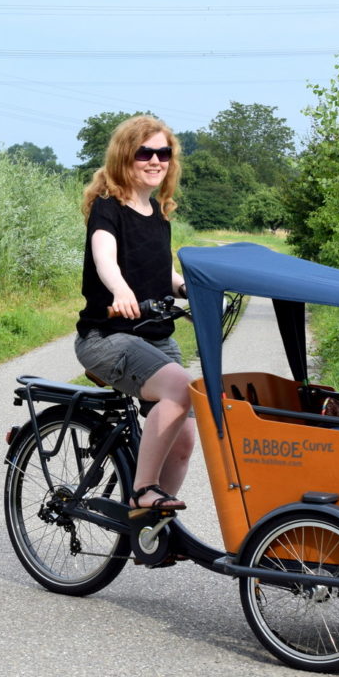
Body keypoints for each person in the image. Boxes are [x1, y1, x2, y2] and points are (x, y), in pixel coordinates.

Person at [74, 115, 195, 517]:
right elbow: (105, 258)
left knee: (184, 439)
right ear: (125, 156)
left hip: (155, 337)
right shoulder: (108, 209)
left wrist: (188, 288)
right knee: (180, 388)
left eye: (164, 153)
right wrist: (120, 290)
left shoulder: (158, 212)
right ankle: (142, 490)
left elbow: (162, 271)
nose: (155, 160)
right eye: (145, 153)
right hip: (107, 337)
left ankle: (153, 524)